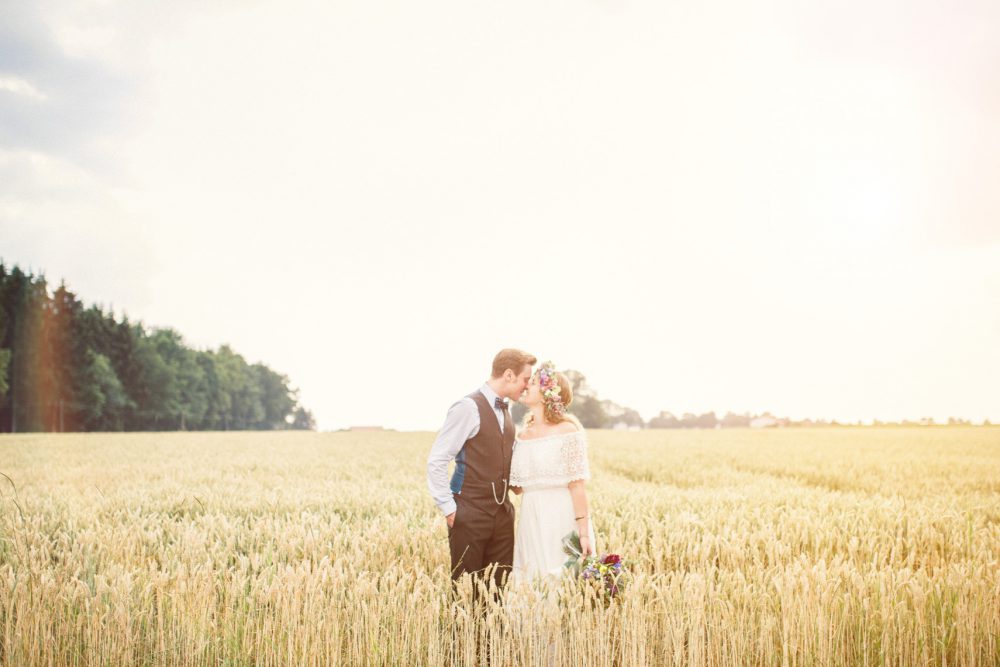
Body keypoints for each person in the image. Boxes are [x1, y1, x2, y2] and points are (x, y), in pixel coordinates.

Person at [426, 348, 536, 602]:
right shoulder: (467, 407)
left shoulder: (506, 412)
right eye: (524, 379)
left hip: (503, 516)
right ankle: (464, 643)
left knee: (496, 595)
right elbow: (437, 460)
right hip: (469, 513)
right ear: (509, 375)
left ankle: (490, 644)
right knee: (465, 595)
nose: (527, 386)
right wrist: (450, 509)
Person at [508, 361, 596, 586]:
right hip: (530, 515)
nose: (527, 385)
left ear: (549, 393)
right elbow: (517, 488)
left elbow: (577, 486)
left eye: (534, 383)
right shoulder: (522, 435)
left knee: (559, 578)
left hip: (561, 514)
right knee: (531, 577)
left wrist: (584, 534)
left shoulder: (567, 430)